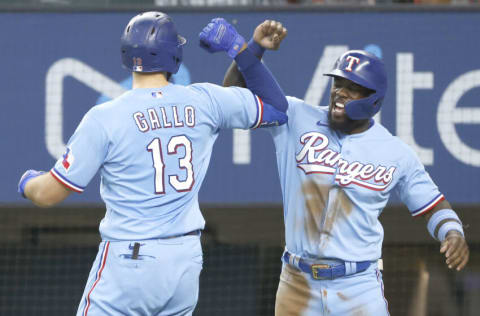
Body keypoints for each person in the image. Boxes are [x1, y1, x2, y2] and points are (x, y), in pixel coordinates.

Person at [17, 13, 288, 315]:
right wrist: (243, 49)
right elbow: (277, 108)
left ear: (127, 55)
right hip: (184, 263)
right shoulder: (203, 100)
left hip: (130, 262)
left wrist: (28, 182)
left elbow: (47, 194)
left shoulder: (106, 117)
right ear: (175, 54)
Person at [222, 21, 469, 316]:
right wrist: (256, 48)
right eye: (338, 83)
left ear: (374, 100)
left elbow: (433, 204)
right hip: (297, 283)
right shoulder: (296, 117)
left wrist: (453, 233)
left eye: (353, 89)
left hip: (359, 286)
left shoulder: (395, 152)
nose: (341, 92)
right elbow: (230, 97)